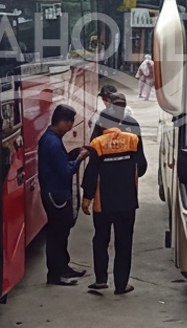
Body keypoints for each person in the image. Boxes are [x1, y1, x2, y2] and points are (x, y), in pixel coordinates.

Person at [81, 95, 147, 295]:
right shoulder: (133, 138)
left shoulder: (98, 144)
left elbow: (91, 173)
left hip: (103, 203)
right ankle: (121, 284)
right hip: (127, 201)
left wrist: (87, 199)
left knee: (101, 239)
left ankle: (101, 279)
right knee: (124, 242)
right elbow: (142, 167)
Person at [38, 104, 90, 286]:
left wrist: (73, 154)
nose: (70, 127)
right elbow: (66, 172)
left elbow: (60, 162)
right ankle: (55, 273)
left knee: (63, 232)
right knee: (56, 234)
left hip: (58, 192)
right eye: (70, 123)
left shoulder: (53, 138)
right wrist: (79, 160)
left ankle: (63, 266)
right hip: (56, 194)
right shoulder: (51, 142)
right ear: (62, 121)